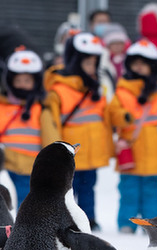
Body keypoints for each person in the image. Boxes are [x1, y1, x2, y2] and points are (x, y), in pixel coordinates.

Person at [45, 32, 114, 231]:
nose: (92, 68)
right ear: (75, 62)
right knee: (66, 190)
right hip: (70, 153)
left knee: (88, 188)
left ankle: (88, 218)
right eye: (87, 63)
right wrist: (55, 151)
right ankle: (65, 219)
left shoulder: (95, 88)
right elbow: (53, 123)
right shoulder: (59, 90)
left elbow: (104, 117)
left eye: (94, 63)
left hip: (90, 152)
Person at [108, 39, 157, 233]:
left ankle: (153, 225)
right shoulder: (123, 90)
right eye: (135, 63)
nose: (139, 67)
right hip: (131, 152)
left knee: (152, 191)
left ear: (153, 67)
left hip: (154, 151)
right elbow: (113, 113)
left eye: (144, 63)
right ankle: (127, 224)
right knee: (129, 191)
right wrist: (123, 117)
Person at [0, 49, 60, 207]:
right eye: (18, 80)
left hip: (31, 166)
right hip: (5, 165)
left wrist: (54, 163)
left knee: (26, 202)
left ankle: (25, 229)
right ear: (10, 81)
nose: (22, 84)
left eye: (27, 81)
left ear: (35, 83)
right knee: (3, 202)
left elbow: (51, 138)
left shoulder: (41, 110)